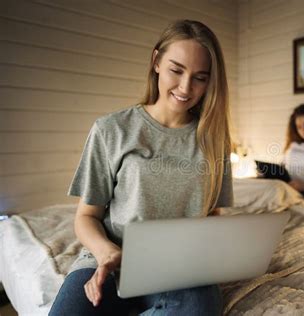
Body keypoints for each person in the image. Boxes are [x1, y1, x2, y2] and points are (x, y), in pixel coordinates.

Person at [49, 20, 233, 316]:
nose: (186, 87)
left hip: (178, 268)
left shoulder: (214, 140)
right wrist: (105, 251)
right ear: (156, 61)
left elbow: (212, 214)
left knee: (199, 307)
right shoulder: (111, 129)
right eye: (176, 70)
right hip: (109, 260)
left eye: (200, 77)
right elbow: (86, 216)